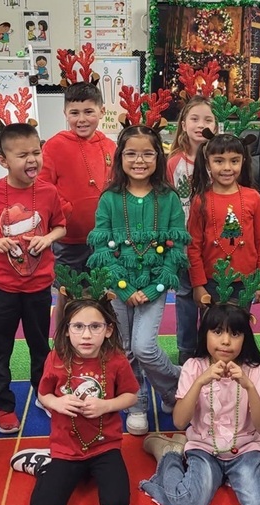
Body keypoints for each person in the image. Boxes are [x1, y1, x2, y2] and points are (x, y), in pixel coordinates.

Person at [86, 125, 189, 436]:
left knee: (144, 346)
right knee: (125, 348)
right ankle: (137, 403)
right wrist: (123, 287)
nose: (139, 160)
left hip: (154, 286)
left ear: (158, 156)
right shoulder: (110, 198)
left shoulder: (168, 197)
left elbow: (177, 247)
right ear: (120, 157)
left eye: (147, 153)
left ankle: (174, 386)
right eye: (131, 153)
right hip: (117, 288)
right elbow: (101, 246)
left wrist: (153, 287)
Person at [139, 302, 260, 505]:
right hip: (204, 449)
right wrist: (199, 382)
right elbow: (179, 422)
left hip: (246, 449)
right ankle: (170, 453)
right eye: (217, 332)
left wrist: (248, 386)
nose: (225, 341)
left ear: (245, 338)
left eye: (235, 333)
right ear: (205, 334)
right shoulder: (193, 367)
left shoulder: (254, 370)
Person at [8, 288, 139, 505]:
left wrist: (105, 406)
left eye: (95, 326)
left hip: (104, 446)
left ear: (108, 330)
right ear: (67, 330)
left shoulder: (116, 359)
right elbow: (43, 393)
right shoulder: (56, 358)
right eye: (78, 326)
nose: (86, 335)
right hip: (66, 448)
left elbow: (131, 396)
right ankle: (44, 464)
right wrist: (56, 402)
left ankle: (88, 471)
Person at [0, 123, 66, 433]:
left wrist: (49, 237)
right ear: (3, 160)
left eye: (36, 152)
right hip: (2, 287)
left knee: (41, 345)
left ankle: (43, 394)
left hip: (38, 286)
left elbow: (61, 226)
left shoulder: (49, 191)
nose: (32, 160)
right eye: (22, 154)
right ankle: (3, 403)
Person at [38, 82, 116, 331]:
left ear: (102, 111)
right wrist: (65, 210)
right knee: (67, 293)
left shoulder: (110, 146)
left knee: (102, 292)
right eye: (74, 113)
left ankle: (102, 340)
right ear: (65, 114)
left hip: (104, 239)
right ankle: (61, 342)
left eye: (88, 112)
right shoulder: (54, 145)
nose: (82, 119)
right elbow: (42, 187)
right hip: (69, 239)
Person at [188, 131, 260, 307]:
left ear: (243, 161)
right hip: (212, 280)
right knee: (212, 328)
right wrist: (198, 284)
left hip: (245, 280)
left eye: (234, 161)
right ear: (208, 163)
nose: (227, 168)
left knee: (239, 328)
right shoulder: (200, 200)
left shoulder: (253, 198)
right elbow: (193, 246)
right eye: (219, 161)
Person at [167, 96, 217, 364]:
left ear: (216, 125)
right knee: (186, 296)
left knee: (214, 294)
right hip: (185, 244)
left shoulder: (221, 159)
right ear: (183, 124)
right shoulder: (175, 163)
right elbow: (167, 202)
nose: (201, 125)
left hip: (216, 243)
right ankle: (186, 350)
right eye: (195, 119)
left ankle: (214, 345)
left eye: (208, 120)